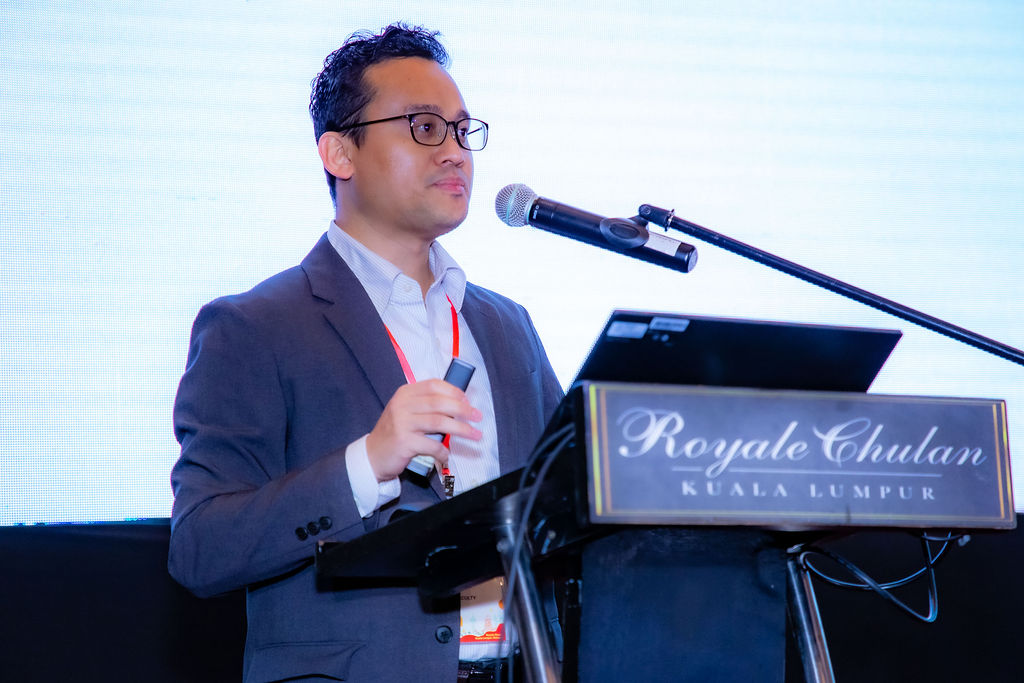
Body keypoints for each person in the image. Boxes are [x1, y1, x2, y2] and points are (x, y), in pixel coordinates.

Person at [168, 23, 563, 683]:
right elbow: (201, 548)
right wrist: (366, 463)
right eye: (424, 128)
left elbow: (560, 508)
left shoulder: (507, 325)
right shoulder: (255, 327)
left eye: (462, 131)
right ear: (339, 153)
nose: (456, 153)